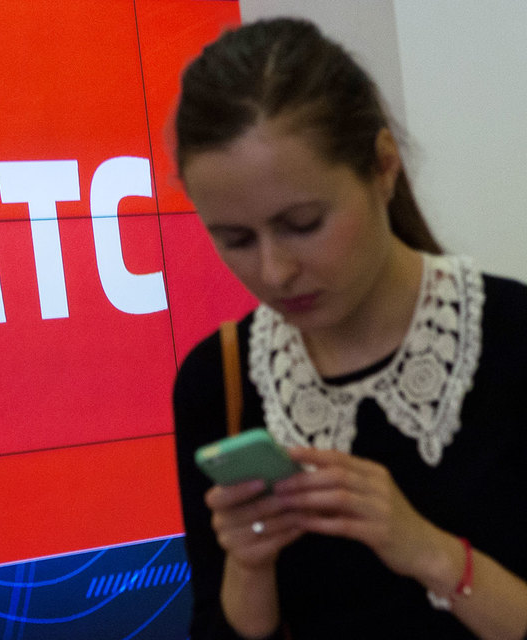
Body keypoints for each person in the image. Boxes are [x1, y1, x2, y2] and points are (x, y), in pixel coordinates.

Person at [171, 17, 527, 640]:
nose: (275, 271)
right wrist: (249, 566)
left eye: (303, 224)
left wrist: (429, 552)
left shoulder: (512, 336)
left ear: (384, 166)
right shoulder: (215, 380)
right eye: (235, 240)